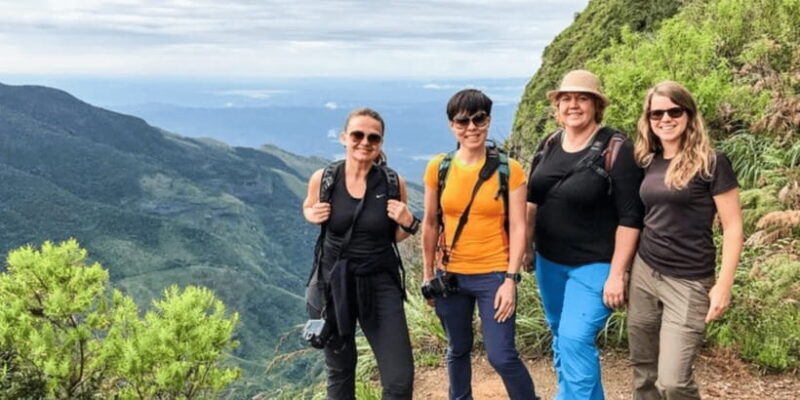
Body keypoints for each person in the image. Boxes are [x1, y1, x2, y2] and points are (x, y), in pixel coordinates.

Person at [524, 69, 644, 400]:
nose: (572, 105)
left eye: (581, 98)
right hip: (549, 261)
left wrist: (618, 274)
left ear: (596, 105)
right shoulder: (549, 143)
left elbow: (630, 218)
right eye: (566, 99)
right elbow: (533, 199)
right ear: (557, 106)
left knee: (575, 338)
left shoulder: (617, 149)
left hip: (595, 264)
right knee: (562, 336)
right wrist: (525, 247)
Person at [628, 80, 743, 400]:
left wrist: (724, 284)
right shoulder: (648, 160)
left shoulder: (712, 162)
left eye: (674, 111)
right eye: (656, 114)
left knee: (674, 382)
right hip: (644, 272)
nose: (665, 119)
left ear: (689, 115)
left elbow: (732, 228)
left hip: (690, 281)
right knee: (644, 370)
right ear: (648, 120)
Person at [421, 89, 539, 400]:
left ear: (488, 120)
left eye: (479, 119)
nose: (471, 127)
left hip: (494, 275)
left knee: (501, 354)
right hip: (450, 275)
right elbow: (431, 223)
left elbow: (518, 226)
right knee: (457, 349)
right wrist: (427, 275)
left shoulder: (508, 170)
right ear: (451, 125)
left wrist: (511, 279)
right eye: (462, 121)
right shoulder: (439, 168)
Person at [303, 107, 417, 400]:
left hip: (379, 283)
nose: (364, 142)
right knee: (340, 372)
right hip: (331, 285)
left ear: (380, 143)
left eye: (373, 137)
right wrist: (311, 214)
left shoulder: (393, 183)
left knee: (399, 379)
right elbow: (308, 207)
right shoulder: (324, 178)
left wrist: (408, 222)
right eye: (357, 134)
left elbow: (397, 235)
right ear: (344, 137)